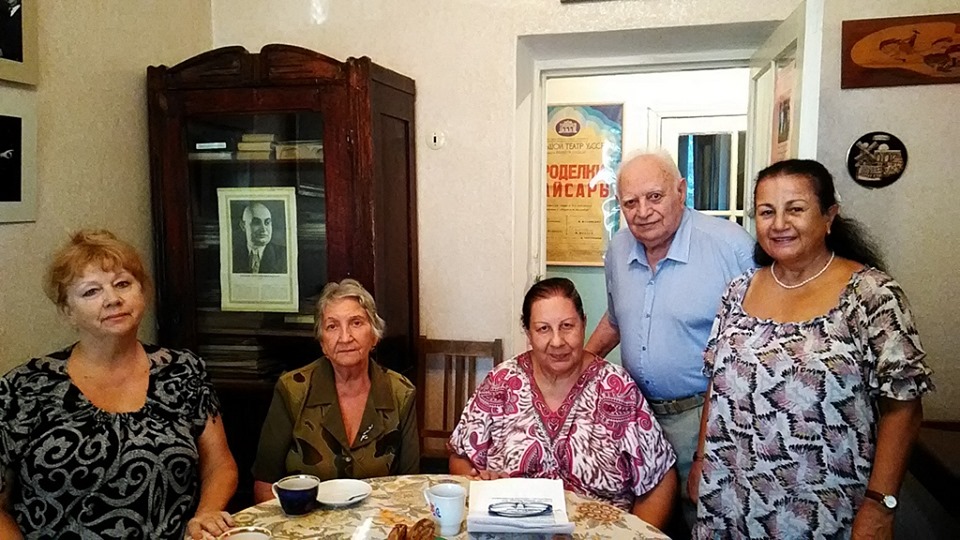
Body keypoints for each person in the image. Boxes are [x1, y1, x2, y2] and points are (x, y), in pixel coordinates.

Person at [689, 159, 934, 539]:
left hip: (824, 501)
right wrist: (701, 460)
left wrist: (880, 504)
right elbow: (716, 387)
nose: (779, 224)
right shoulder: (738, 290)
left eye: (795, 209)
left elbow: (903, 406)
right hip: (731, 494)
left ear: (829, 216)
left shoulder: (871, 295)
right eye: (766, 212)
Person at [0, 230, 238, 540]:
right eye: (91, 292)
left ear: (143, 292)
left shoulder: (183, 371)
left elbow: (219, 465)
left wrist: (206, 514)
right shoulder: (23, 389)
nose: (113, 299)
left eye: (123, 284)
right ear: (68, 311)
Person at [584, 150, 755, 525]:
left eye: (654, 197)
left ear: (681, 190)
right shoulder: (618, 248)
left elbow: (759, 343)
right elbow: (615, 320)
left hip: (704, 418)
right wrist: (574, 366)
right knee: (641, 521)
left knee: (704, 517)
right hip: (636, 415)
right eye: (631, 202)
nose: (643, 212)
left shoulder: (731, 247)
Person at [449, 278, 678, 529]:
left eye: (567, 326)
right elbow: (462, 455)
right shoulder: (502, 382)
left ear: (584, 324)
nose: (557, 341)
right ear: (528, 333)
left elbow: (659, 479)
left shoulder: (617, 388)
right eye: (543, 329)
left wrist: (636, 535)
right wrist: (479, 483)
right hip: (512, 527)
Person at [251, 278, 418, 502]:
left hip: (379, 518)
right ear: (322, 343)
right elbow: (265, 483)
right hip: (305, 519)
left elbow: (410, 485)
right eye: (332, 326)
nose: (345, 337)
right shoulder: (292, 390)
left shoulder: (401, 392)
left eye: (356, 323)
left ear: (374, 335)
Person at [233, 201, 287, 274]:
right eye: (256, 222)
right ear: (243, 226)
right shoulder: (232, 254)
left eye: (267, 223)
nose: (263, 229)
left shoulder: (284, 255)